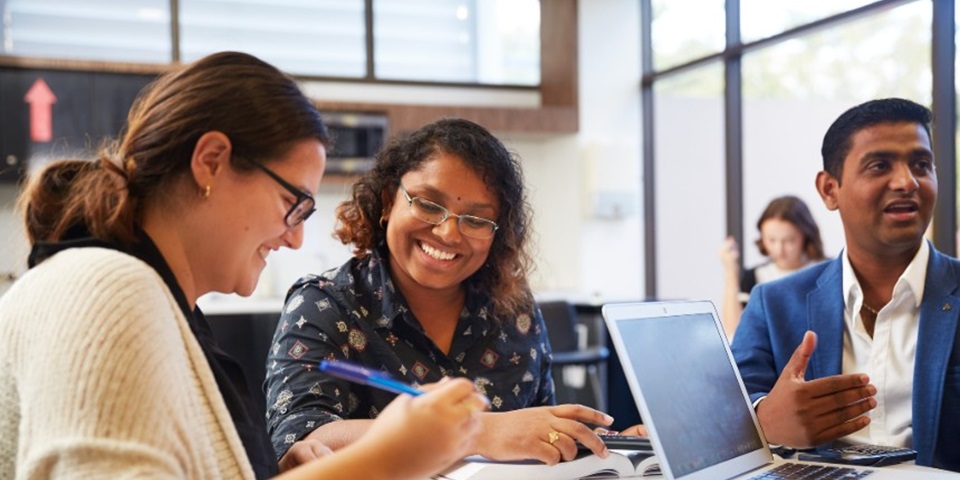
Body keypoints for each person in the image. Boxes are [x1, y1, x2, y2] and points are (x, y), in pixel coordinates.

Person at [0, 51, 487, 480]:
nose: (296, 237)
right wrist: (386, 459)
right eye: (293, 203)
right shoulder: (106, 291)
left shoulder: (150, 298)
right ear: (211, 161)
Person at [265, 118, 621, 471]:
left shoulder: (515, 312)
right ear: (389, 202)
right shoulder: (324, 303)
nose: (449, 234)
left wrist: (612, 449)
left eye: (477, 220)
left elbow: (540, 445)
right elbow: (300, 445)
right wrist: (479, 432)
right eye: (429, 205)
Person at [731, 97, 960, 472]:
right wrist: (765, 421)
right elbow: (725, 415)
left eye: (921, 164)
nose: (907, 182)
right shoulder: (773, 303)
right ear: (829, 190)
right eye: (879, 165)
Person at [718, 195, 826, 337]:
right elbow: (735, 332)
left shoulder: (827, 272)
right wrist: (731, 272)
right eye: (771, 240)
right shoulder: (754, 277)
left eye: (789, 240)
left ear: (805, 236)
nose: (779, 249)